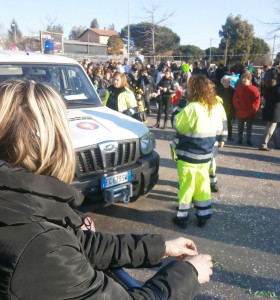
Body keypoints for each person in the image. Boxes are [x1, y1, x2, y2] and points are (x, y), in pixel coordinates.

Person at [0, 79, 213, 299]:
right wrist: (189, 274)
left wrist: (161, 248)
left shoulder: (19, 208)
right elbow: (58, 247)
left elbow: (81, 243)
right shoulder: (42, 246)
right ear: (53, 142)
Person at [172, 75, 227, 229]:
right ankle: (203, 215)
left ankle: (182, 218)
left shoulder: (192, 107)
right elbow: (220, 127)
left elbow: (177, 125)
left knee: (186, 187)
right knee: (202, 186)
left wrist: (180, 105)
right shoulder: (214, 107)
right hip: (205, 156)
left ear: (194, 89)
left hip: (188, 155)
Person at [259, 68, 280, 151]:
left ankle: (277, 143)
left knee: (273, 128)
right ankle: (263, 145)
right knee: (270, 128)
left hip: (268, 107)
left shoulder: (268, 85)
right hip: (276, 109)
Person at [233, 72, 261, 146]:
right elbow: (234, 99)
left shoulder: (254, 89)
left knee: (249, 127)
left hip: (250, 111)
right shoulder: (239, 89)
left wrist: (255, 108)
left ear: (249, 80)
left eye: (245, 79)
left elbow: (258, 100)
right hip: (240, 111)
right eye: (243, 78)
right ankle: (240, 139)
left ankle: (248, 140)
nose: (243, 80)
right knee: (240, 127)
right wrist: (237, 106)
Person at [217, 75, 235, 141]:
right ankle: (219, 136)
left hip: (230, 109)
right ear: (222, 82)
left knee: (229, 123)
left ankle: (229, 135)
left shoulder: (232, 90)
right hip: (220, 109)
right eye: (225, 82)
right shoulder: (218, 89)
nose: (226, 83)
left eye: (228, 82)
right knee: (220, 123)